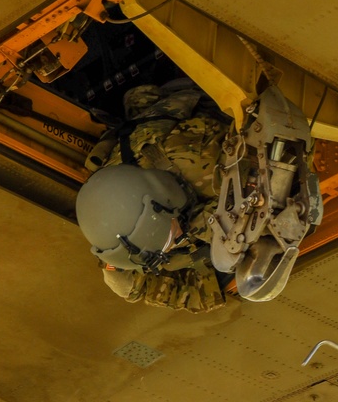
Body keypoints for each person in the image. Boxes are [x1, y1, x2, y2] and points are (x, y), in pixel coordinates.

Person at [76, 80, 231, 312]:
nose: (168, 249)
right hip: (153, 139)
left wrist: (213, 231)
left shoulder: (205, 168)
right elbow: (126, 282)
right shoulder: (114, 198)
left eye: (168, 241)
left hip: (209, 106)